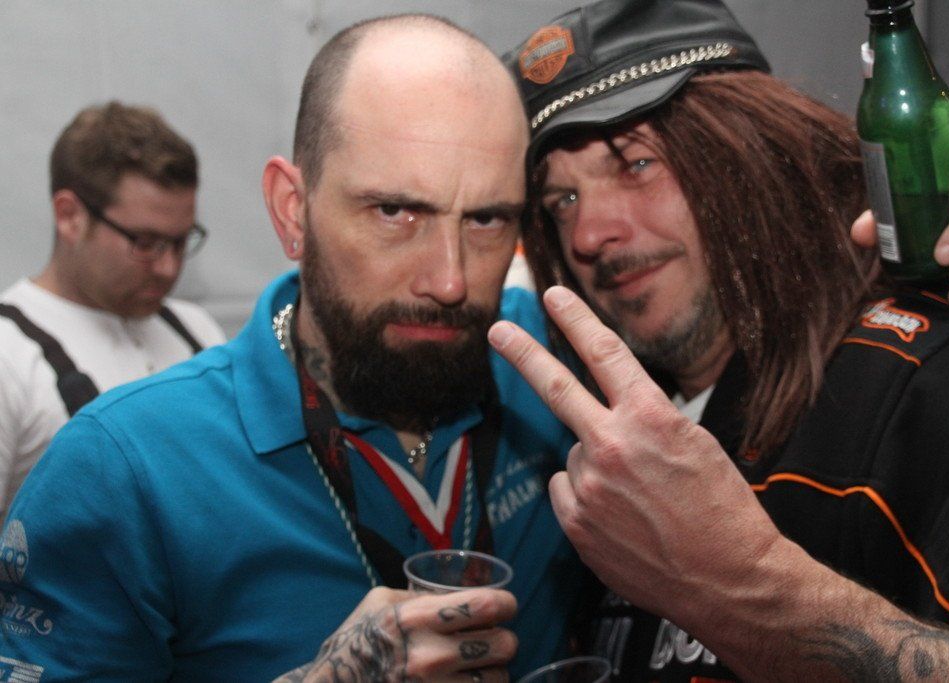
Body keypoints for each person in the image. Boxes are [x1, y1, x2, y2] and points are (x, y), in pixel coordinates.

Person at [0, 15, 582, 681]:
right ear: (292, 210)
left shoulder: (547, 365)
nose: (450, 280)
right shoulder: (122, 471)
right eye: (395, 211)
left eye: (487, 218)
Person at [490, 0, 949, 679]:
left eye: (637, 164)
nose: (591, 233)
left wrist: (740, 587)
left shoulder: (929, 389)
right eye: (561, 201)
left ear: (748, 153)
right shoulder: (601, 450)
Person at [0, 102, 225, 521]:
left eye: (181, 242)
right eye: (145, 242)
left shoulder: (196, 330)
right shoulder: (9, 358)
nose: (169, 267)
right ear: (70, 216)